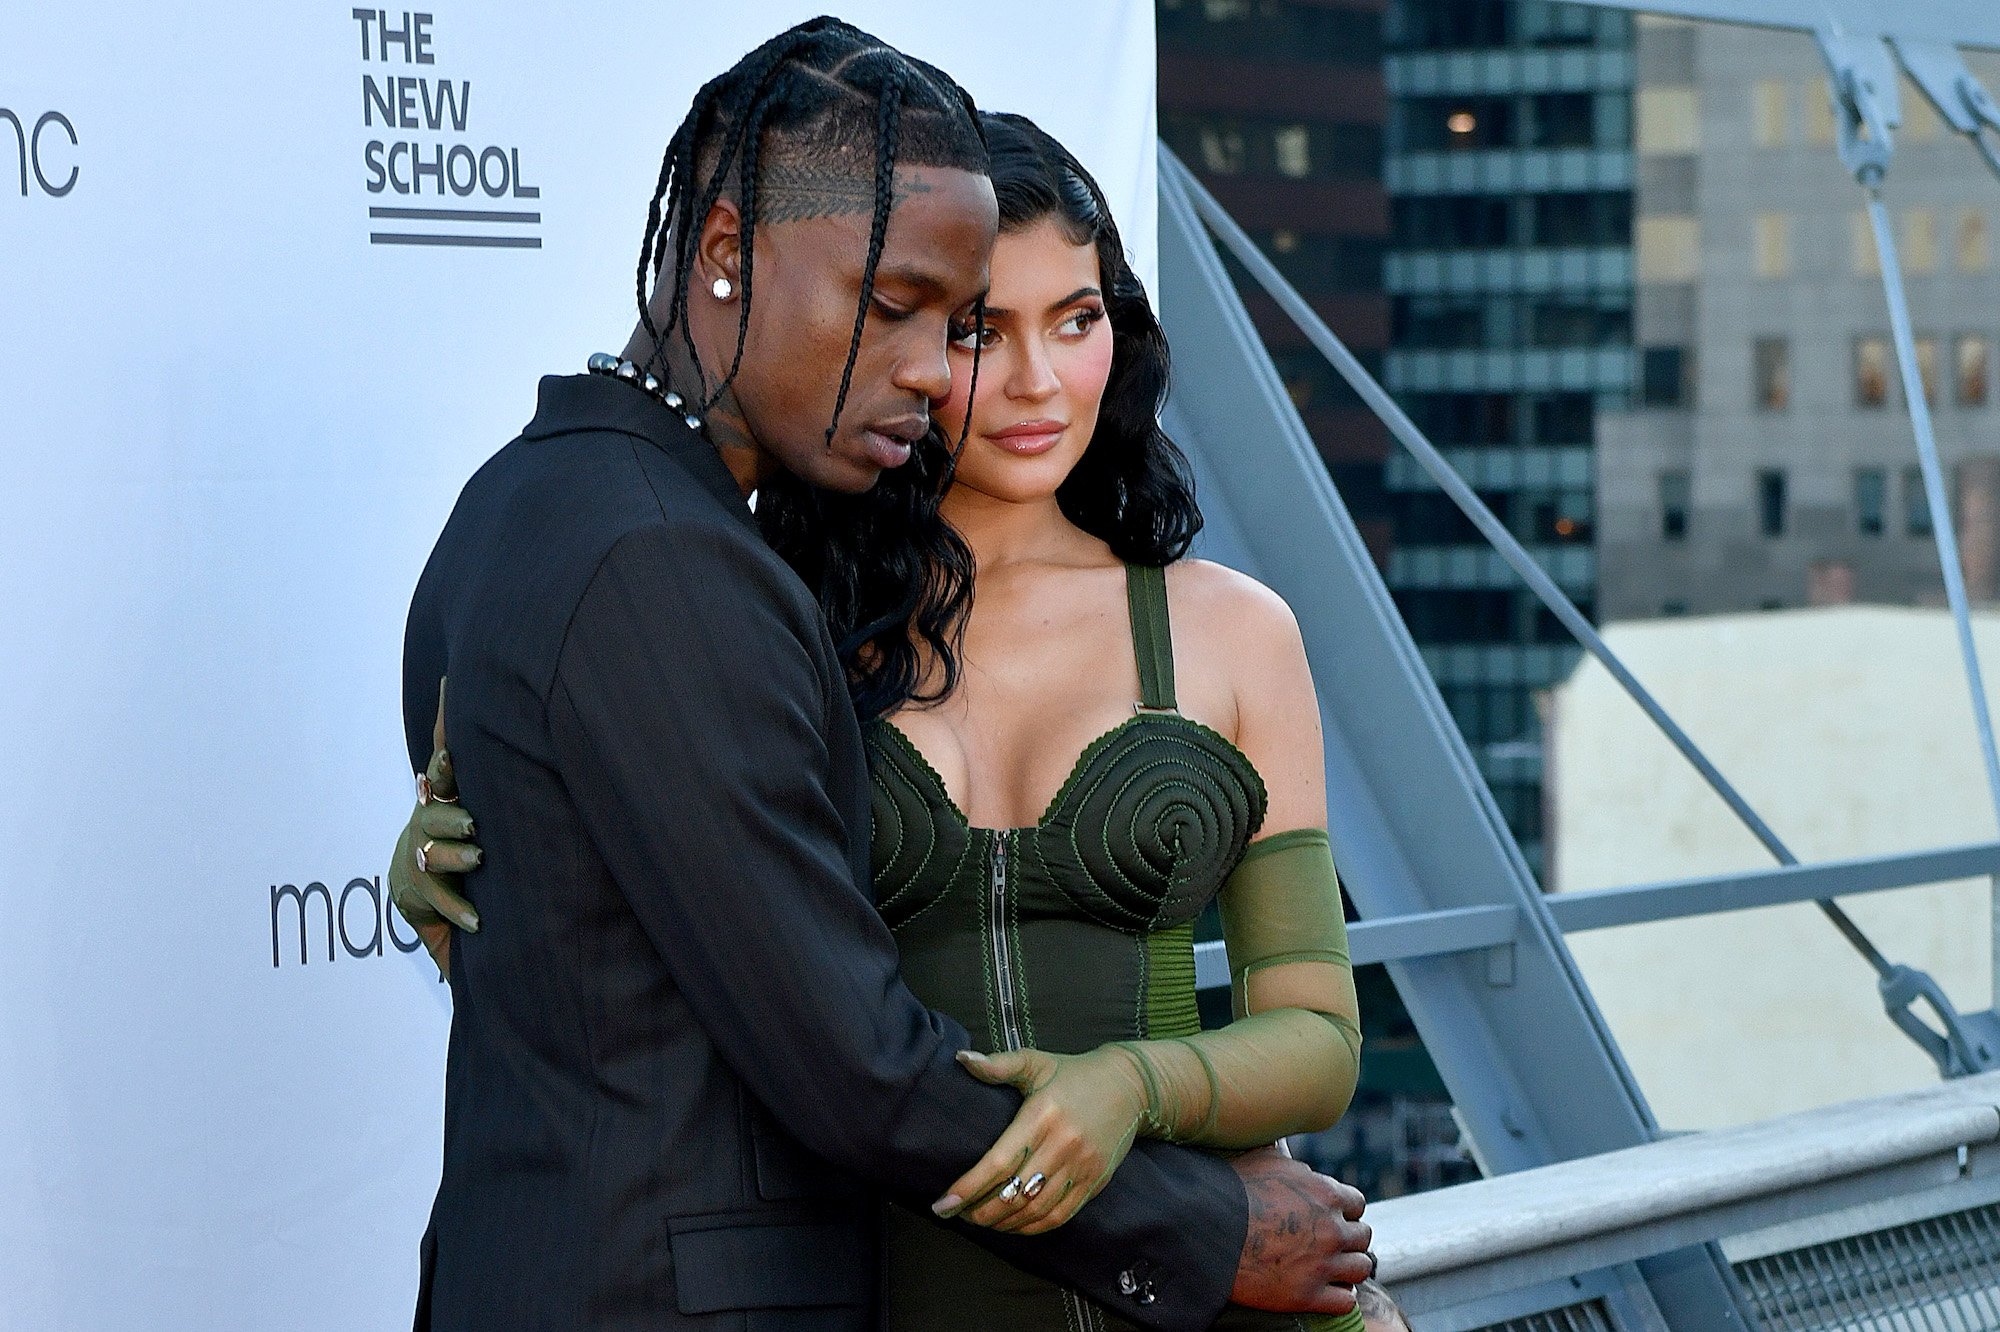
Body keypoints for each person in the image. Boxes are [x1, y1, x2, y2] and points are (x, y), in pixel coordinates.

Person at [391, 18, 1371, 1332]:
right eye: (908, 311)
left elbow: (632, 942)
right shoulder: (694, 573)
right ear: (730, 255)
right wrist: (1208, 1239)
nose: (945, 367)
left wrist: (1146, 1088)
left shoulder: (533, 505)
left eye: (1060, 320)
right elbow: (846, 1061)